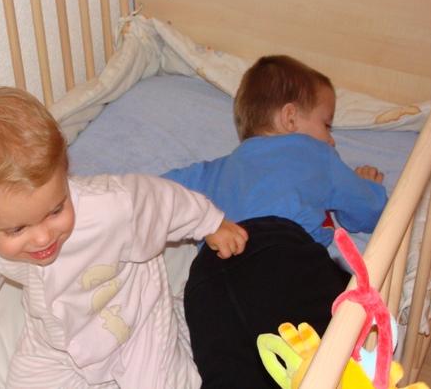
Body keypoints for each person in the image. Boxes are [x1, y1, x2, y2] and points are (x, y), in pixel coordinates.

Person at [0, 87, 248, 389]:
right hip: (56, 339)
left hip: (133, 318)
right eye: (18, 229)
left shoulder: (108, 207)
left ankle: (177, 320)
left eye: (55, 210)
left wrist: (209, 223)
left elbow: (161, 202)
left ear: (64, 171)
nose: (43, 237)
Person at [162, 55, 388, 388]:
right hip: (280, 255)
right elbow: (369, 212)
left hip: (208, 276)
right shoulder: (316, 155)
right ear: (290, 118)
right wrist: (369, 185)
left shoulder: (214, 170)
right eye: (326, 125)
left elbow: (157, 196)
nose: (331, 140)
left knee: (230, 374)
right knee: (334, 342)